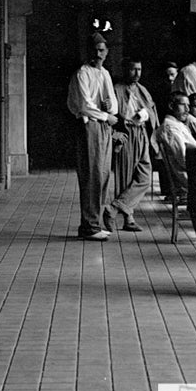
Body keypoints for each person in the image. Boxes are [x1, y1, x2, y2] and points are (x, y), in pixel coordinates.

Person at [66, 32, 117, 240]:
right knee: (91, 175)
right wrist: (106, 115)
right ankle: (89, 226)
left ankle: (94, 223)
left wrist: (109, 108)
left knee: (103, 176)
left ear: (107, 52)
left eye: (102, 50)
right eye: (95, 50)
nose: (98, 54)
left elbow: (114, 104)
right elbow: (85, 106)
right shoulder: (82, 74)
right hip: (90, 126)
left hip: (104, 126)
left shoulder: (105, 74)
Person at [108, 58, 156, 231]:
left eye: (139, 69)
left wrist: (144, 114)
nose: (137, 73)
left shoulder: (142, 89)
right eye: (133, 69)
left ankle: (113, 208)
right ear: (125, 70)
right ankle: (128, 218)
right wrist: (115, 134)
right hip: (126, 133)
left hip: (141, 133)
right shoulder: (116, 89)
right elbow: (111, 114)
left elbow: (151, 109)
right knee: (125, 177)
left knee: (145, 177)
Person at [154, 91, 196, 203]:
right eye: (183, 105)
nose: (187, 109)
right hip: (191, 177)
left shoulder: (177, 124)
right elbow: (183, 159)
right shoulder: (171, 128)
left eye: (188, 105)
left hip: (193, 171)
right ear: (171, 106)